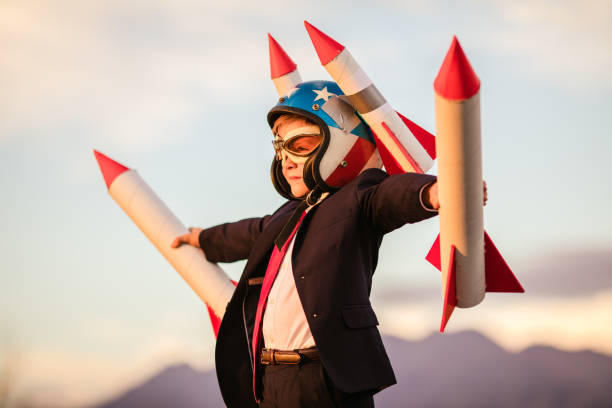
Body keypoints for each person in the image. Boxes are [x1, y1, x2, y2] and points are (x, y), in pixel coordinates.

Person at [171, 81, 486, 407]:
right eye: (280, 148)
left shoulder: (357, 198)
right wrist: (202, 238)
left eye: (301, 145)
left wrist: (433, 193)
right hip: (270, 379)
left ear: (342, 144)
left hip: (324, 380)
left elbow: (388, 197)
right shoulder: (288, 215)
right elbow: (252, 232)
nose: (286, 161)